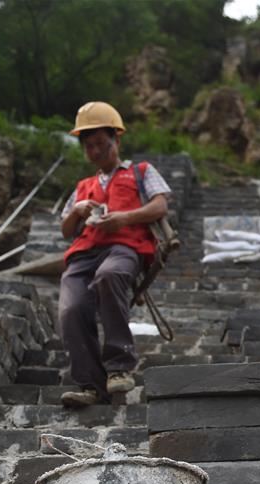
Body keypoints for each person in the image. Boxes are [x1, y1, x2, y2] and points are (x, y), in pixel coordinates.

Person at [58, 101, 171, 407]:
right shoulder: (83, 186)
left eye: (101, 144)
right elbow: (66, 230)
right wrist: (78, 210)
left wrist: (124, 218)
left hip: (125, 247)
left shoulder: (141, 172)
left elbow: (160, 205)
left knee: (109, 275)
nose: (96, 152)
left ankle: (119, 367)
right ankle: (91, 386)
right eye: (89, 147)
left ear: (116, 140)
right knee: (71, 309)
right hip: (82, 254)